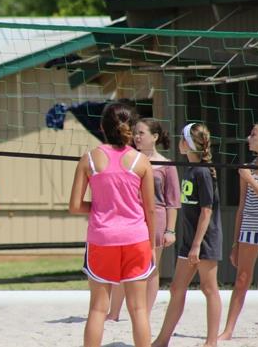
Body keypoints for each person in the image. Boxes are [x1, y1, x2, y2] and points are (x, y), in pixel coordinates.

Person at [69, 102, 156, 347]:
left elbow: (74, 206)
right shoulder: (141, 161)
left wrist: (102, 208)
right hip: (136, 238)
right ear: (130, 127)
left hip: (102, 239)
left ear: (101, 127)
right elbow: (150, 209)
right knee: (138, 309)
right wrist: (151, 243)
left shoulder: (89, 159)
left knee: (98, 309)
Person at [152, 123, 222, 347]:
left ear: (188, 144)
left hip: (205, 241)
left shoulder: (202, 171)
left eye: (181, 138)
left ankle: (211, 342)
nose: (178, 142)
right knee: (176, 288)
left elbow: (207, 211)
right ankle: (162, 340)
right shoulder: (190, 169)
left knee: (208, 289)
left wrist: (196, 246)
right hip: (189, 241)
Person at [106, 118, 181, 321]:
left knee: (151, 268)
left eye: (141, 133)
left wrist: (170, 231)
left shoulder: (167, 166)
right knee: (124, 266)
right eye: (135, 133)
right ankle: (113, 313)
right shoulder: (128, 159)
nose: (137, 136)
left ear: (154, 137)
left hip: (156, 218)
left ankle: (144, 315)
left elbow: (173, 201)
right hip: (131, 218)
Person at [218, 123, 258, 340]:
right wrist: (235, 243)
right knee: (242, 279)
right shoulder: (248, 166)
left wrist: (250, 178)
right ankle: (228, 330)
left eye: (253, 134)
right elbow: (241, 207)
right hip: (251, 227)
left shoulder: (248, 172)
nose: (248, 137)